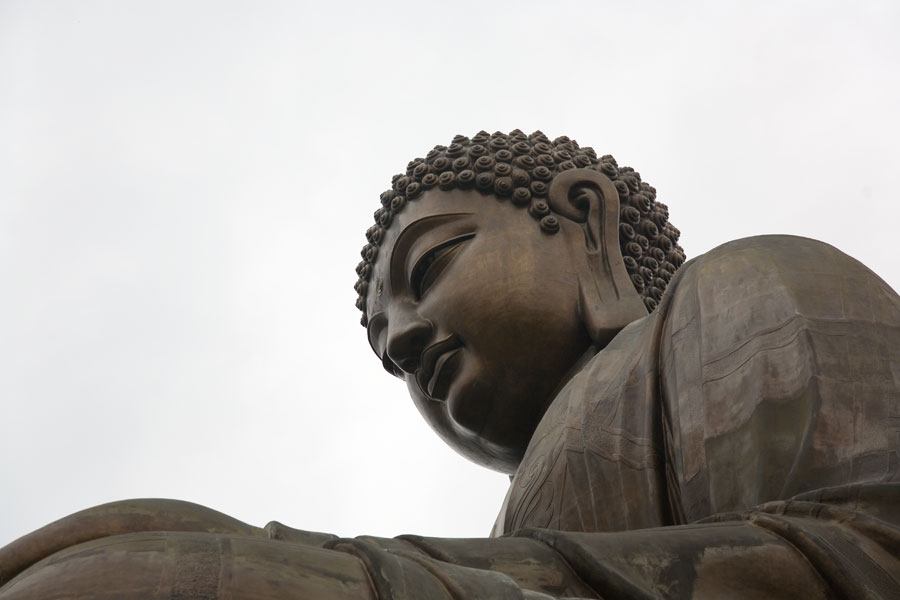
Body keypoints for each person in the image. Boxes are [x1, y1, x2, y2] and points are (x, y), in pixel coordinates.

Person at [1, 130, 898, 598]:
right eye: (385, 351)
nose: (400, 340)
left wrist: (365, 572)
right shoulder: (513, 514)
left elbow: (869, 556)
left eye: (428, 268)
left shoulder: (744, 288)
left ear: (585, 219)